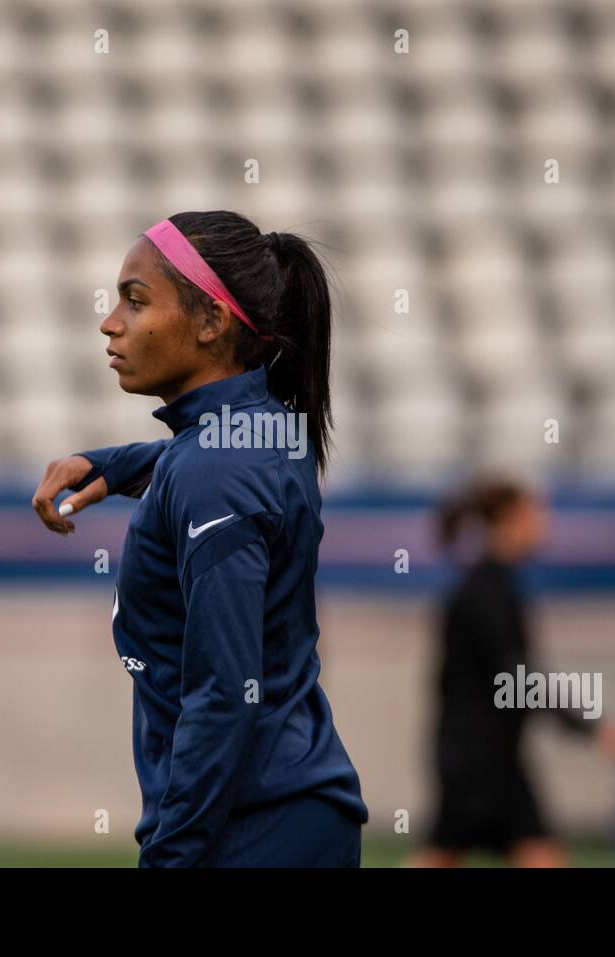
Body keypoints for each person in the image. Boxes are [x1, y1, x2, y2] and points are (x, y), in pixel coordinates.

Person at [31, 211, 368, 867]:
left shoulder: (214, 472)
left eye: (135, 300)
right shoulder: (270, 430)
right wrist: (119, 463)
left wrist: (170, 856)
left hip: (250, 827)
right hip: (292, 810)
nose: (110, 322)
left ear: (213, 322)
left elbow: (224, 693)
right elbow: (205, 457)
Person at [406, 479, 615, 868]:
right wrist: (593, 726)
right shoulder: (485, 591)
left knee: (522, 855)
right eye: (536, 514)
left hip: (493, 757)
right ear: (509, 522)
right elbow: (520, 679)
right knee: (448, 857)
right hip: (476, 761)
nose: (545, 524)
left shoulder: (494, 585)